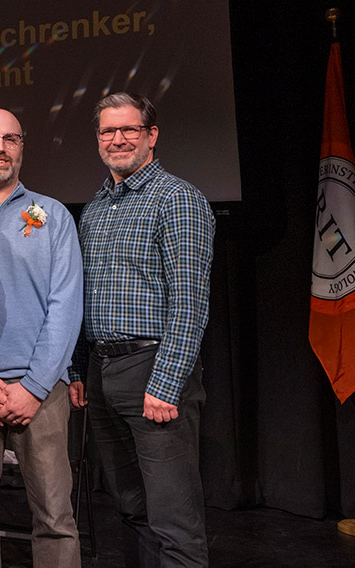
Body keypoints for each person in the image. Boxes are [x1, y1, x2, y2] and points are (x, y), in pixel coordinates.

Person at [69, 92, 214, 567]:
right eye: (108, 131)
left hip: (153, 369)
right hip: (102, 371)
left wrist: (166, 384)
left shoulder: (177, 199)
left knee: (174, 520)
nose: (118, 139)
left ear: (152, 136)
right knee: (131, 508)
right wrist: (79, 370)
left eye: (129, 129)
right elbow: (86, 296)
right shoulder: (95, 209)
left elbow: (189, 302)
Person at [0, 109, 83, 568]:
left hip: (42, 392)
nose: (0, 147)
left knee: (55, 518)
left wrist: (35, 385)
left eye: (10, 138)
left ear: (22, 147)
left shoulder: (54, 215)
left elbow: (65, 305)